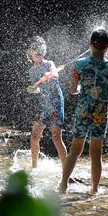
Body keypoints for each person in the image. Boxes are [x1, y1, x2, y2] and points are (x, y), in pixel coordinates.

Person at [58, 28, 108, 195]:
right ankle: (95, 189)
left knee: (75, 148)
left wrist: (81, 88)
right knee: (96, 152)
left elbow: (73, 89)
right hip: (100, 110)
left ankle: (63, 184)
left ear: (90, 44)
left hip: (83, 108)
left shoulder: (80, 64)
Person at [26, 37, 68, 169]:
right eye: (36, 49)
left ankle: (67, 172)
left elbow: (56, 75)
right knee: (34, 136)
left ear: (45, 51)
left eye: (42, 49)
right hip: (44, 105)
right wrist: (33, 89)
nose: (39, 51)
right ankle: (34, 168)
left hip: (56, 102)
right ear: (30, 52)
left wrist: (49, 74)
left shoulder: (49, 63)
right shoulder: (32, 70)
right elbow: (37, 88)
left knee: (56, 137)